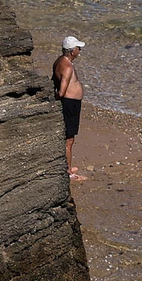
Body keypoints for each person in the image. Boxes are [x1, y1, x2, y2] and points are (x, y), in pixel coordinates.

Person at [53, 36, 86, 181]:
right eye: (78, 48)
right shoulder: (67, 67)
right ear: (72, 51)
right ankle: (68, 172)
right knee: (69, 139)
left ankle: (67, 165)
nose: (80, 50)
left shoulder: (60, 61)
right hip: (70, 104)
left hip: (70, 103)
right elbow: (61, 91)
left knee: (68, 138)